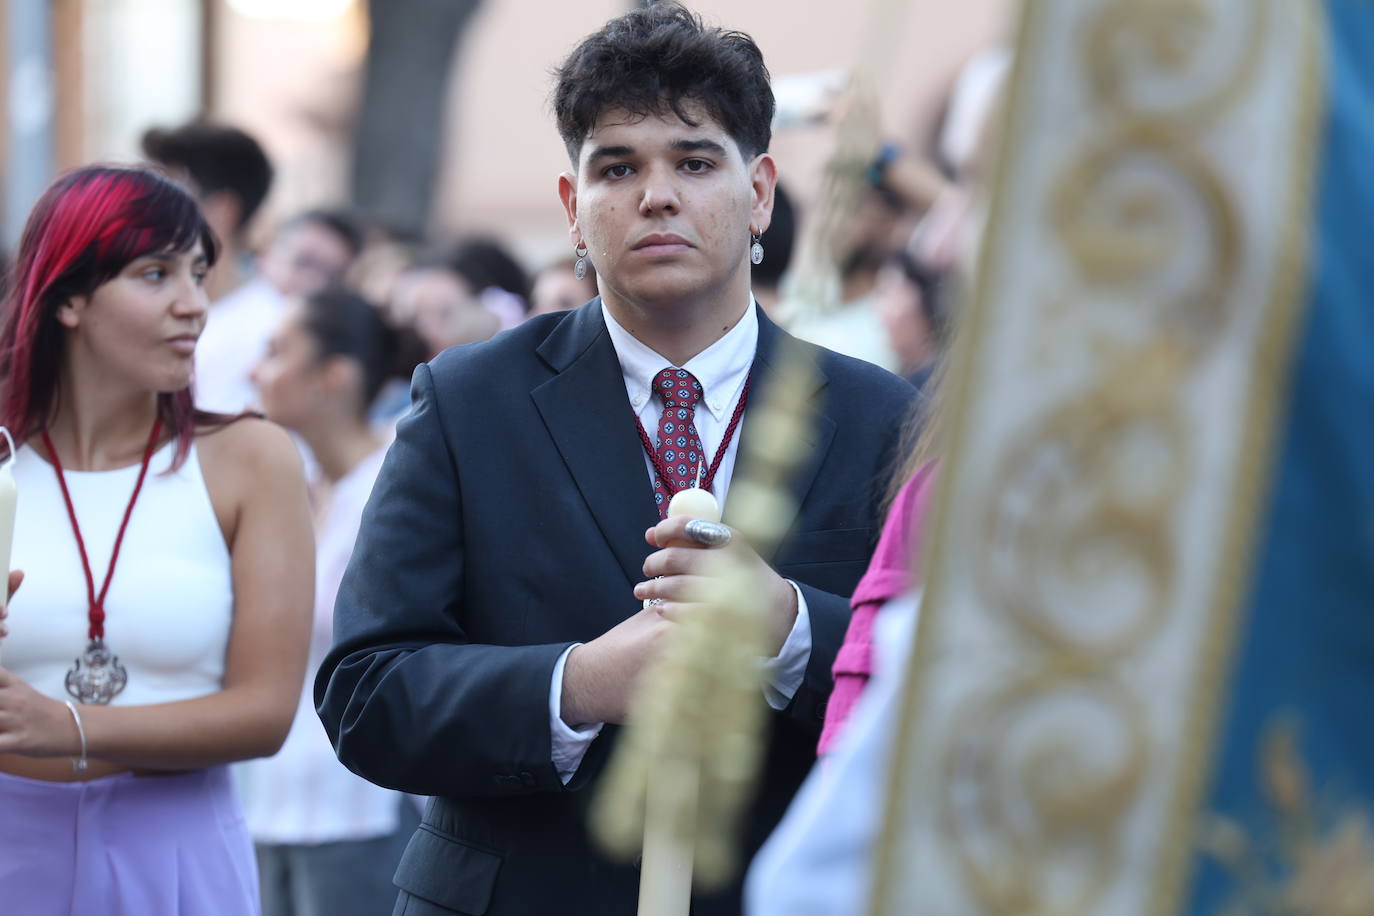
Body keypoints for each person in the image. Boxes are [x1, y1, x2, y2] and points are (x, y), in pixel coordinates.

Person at [314, 5, 914, 915]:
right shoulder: (470, 401)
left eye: (695, 162)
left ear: (759, 194)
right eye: (618, 167)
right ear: (573, 209)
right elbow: (366, 691)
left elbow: (937, 692)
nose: (657, 195)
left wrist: (789, 628)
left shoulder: (880, 416)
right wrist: (578, 684)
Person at [0, 165, 313, 914]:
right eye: (155, 273)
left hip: (177, 851)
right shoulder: (6, 461)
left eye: (200, 274)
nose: (194, 305)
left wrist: (69, 725)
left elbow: (266, 713)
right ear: (69, 297)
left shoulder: (251, 460)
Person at [241, 288, 417, 916]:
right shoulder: (299, 487)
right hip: (269, 799)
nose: (255, 372)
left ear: (333, 377)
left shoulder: (393, 485)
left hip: (356, 807)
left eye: (277, 352)